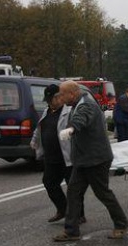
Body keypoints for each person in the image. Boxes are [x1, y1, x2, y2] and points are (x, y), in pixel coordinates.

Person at [52, 81, 128, 242]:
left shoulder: (87, 105)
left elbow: (81, 120)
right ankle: (72, 231)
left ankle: (121, 224)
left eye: (62, 94)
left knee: (102, 193)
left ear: (72, 94)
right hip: (83, 160)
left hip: (97, 159)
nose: (60, 97)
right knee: (73, 192)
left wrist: (71, 129)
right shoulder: (76, 103)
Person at [30, 84, 86, 224]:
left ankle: (79, 215)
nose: (49, 103)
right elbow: (40, 127)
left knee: (73, 187)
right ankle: (63, 209)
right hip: (51, 157)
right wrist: (34, 141)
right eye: (47, 100)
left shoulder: (69, 110)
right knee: (49, 183)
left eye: (51, 99)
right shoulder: (47, 111)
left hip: (66, 156)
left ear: (59, 97)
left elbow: (76, 128)